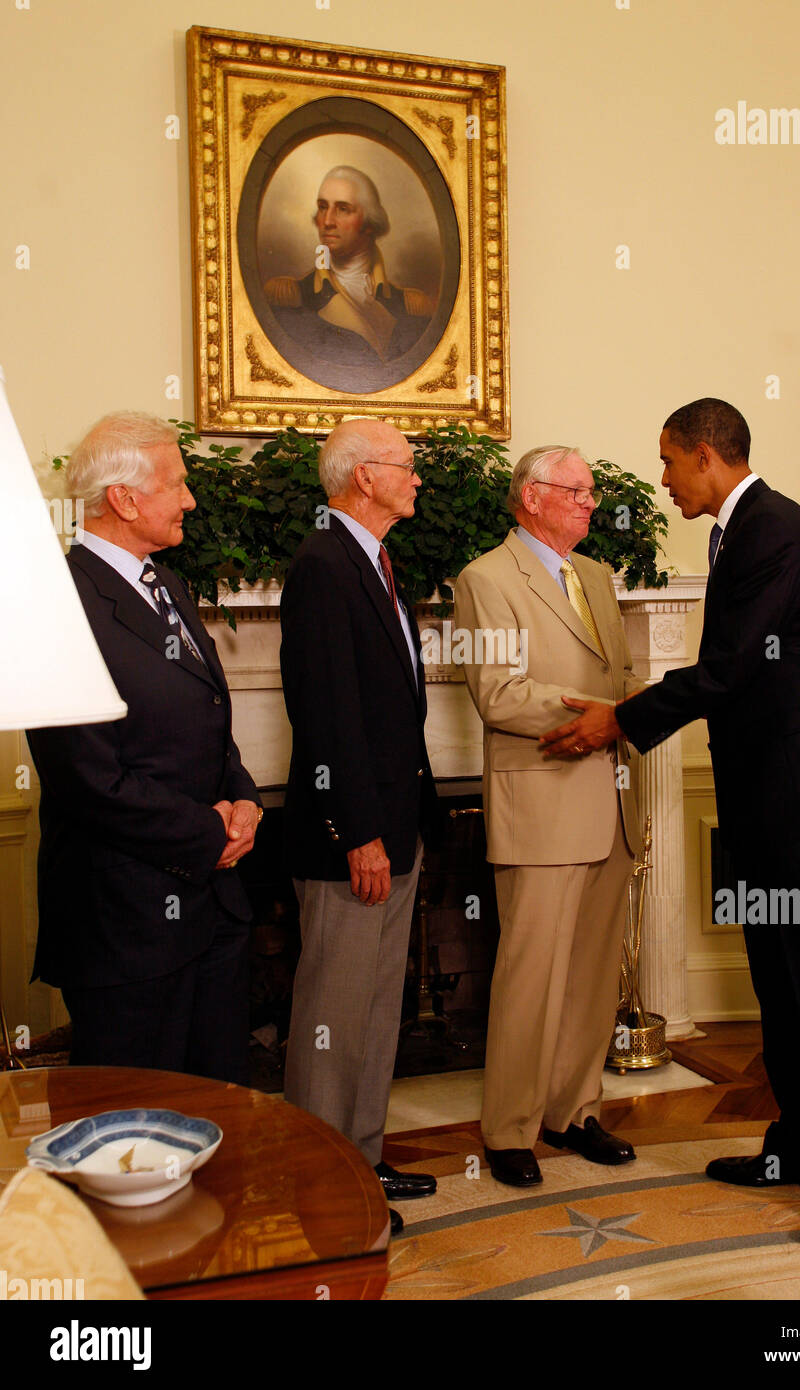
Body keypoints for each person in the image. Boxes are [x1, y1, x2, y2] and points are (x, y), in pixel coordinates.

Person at [540, 398, 800, 1248]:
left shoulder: (774, 530)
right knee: (779, 994)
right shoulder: (740, 529)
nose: (664, 478)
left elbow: (725, 671)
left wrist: (622, 718)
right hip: (763, 806)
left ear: (706, 456)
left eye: (668, 462)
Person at [27, 412, 261, 1083]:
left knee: (213, 1111)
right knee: (132, 1128)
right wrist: (204, 831)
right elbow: (84, 775)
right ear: (125, 499)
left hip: (213, 908)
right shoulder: (61, 600)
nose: (190, 499)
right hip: (123, 924)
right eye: (178, 484)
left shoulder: (169, 584)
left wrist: (243, 800)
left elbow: (209, 719)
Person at [452, 445, 642, 1188]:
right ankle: (509, 1129)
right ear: (530, 497)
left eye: (591, 492)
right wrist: (605, 714)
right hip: (540, 800)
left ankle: (574, 1112)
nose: (590, 503)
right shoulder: (485, 578)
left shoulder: (594, 575)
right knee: (530, 974)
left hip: (612, 798)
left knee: (593, 973)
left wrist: (632, 708)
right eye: (576, 491)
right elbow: (497, 693)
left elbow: (620, 679)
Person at [280, 418, 439, 1236]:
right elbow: (325, 712)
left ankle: (364, 1159)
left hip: (395, 824)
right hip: (351, 837)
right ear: (364, 476)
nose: (417, 479)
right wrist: (356, 832)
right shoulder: (320, 566)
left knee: (378, 1013)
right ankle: (319, 1176)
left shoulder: (376, 561)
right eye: (407, 468)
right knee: (331, 1017)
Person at [265, 166, 435, 367]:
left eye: (343, 209)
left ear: (370, 222)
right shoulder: (289, 298)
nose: (327, 221)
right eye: (322, 207)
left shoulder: (412, 307)